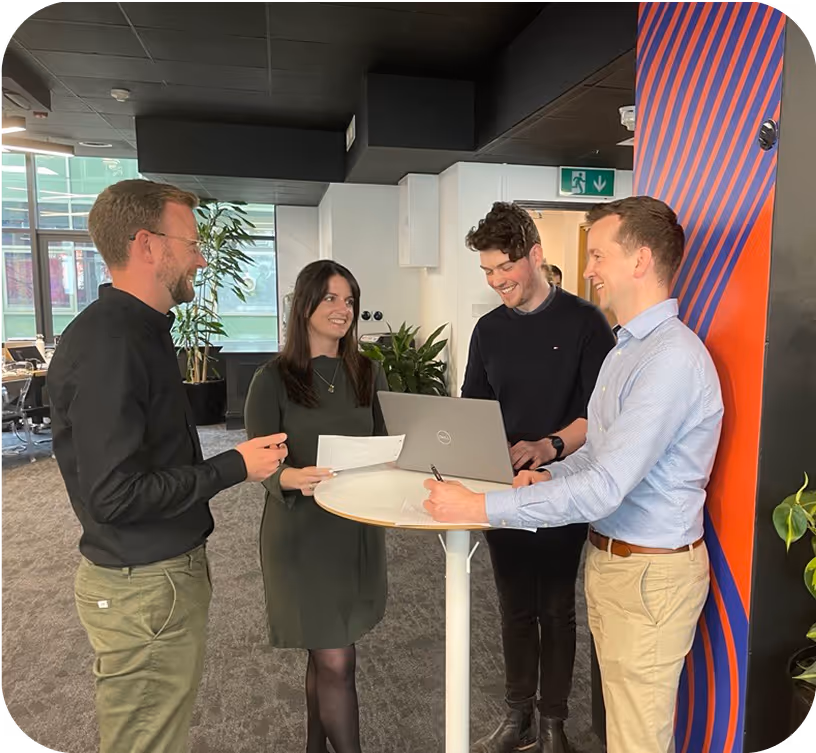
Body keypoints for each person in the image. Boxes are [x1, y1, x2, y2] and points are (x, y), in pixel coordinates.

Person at [424, 196, 724, 753]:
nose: (587, 270)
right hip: (615, 559)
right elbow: (600, 456)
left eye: (599, 256)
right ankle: (524, 715)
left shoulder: (669, 359)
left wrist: (483, 507)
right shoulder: (630, 351)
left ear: (638, 260)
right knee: (621, 729)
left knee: (636, 736)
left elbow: (607, 482)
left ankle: (553, 720)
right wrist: (549, 477)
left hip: (647, 574)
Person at [47, 179, 289, 753]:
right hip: (144, 589)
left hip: (151, 581)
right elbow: (115, 496)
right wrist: (235, 466)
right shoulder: (114, 344)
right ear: (148, 246)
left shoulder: (138, 332)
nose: (202, 256)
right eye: (192, 242)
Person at [461, 202, 615, 753]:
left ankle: (554, 724)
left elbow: (600, 415)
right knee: (513, 606)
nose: (497, 280)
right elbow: (472, 407)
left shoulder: (585, 322)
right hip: (503, 489)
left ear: (535, 255)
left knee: (556, 607)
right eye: (487, 271)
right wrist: (489, 450)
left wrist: (547, 447)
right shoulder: (487, 330)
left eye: (505, 266)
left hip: (561, 484)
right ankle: (518, 716)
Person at [244, 259, 389, 753]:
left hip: (355, 529)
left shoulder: (369, 371)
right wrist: (290, 476)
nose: (342, 309)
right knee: (336, 660)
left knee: (327, 654)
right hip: (301, 534)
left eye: (349, 300)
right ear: (303, 304)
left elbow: (390, 445)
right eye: (330, 298)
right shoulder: (273, 379)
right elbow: (259, 463)